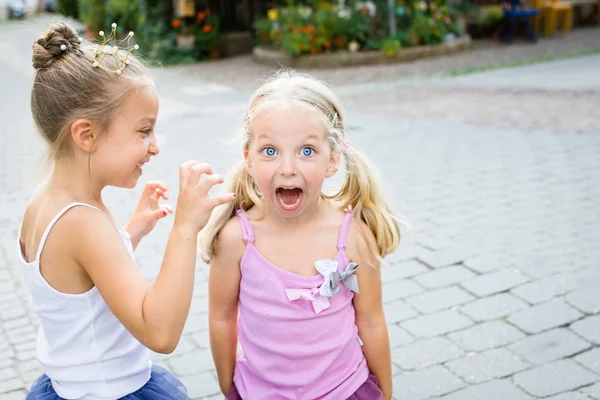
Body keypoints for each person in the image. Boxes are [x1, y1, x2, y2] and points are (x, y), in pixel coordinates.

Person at [19, 21, 235, 399]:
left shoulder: (47, 202)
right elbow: (160, 332)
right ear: (87, 135)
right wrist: (185, 227)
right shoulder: (83, 222)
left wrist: (131, 230)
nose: (155, 147)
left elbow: (80, 284)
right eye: (143, 131)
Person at [201, 70, 401, 400]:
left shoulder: (352, 236)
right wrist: (228, 385)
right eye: (270, 151)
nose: (288, 168)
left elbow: (372, 321)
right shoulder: (237, 239)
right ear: (248, 159)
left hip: (345, 390)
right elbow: (221, 317)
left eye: (306, 151)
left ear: (333, 160)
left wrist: (386, 391)